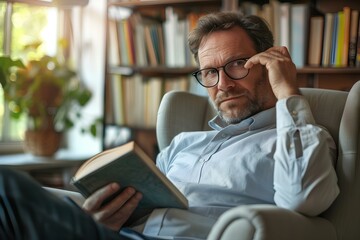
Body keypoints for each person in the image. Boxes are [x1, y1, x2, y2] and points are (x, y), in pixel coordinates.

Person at [0, 11, 339, 240]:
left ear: (268, 64)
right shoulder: (183, 144)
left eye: (237, 65)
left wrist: (288, 92)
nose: (223, 85)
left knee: (7, 188)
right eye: (210, 72)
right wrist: (104, 218)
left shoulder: (300, 138)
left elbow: (303, 200)